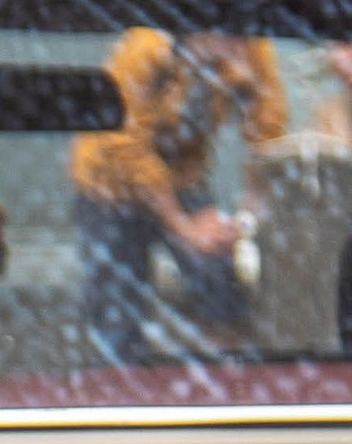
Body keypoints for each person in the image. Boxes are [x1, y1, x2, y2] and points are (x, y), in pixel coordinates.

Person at [70, 25, 286, 361]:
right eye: (224, 35)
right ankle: (118, 378)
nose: (236, 44)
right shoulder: (144, 50)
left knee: (219, 274)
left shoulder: (251, 44)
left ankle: (224, 373)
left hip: (184, 177)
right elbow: (127, 148)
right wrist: (182, 226)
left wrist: (246, 216)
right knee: (116, 306)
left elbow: (269, 133)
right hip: (110, 187)